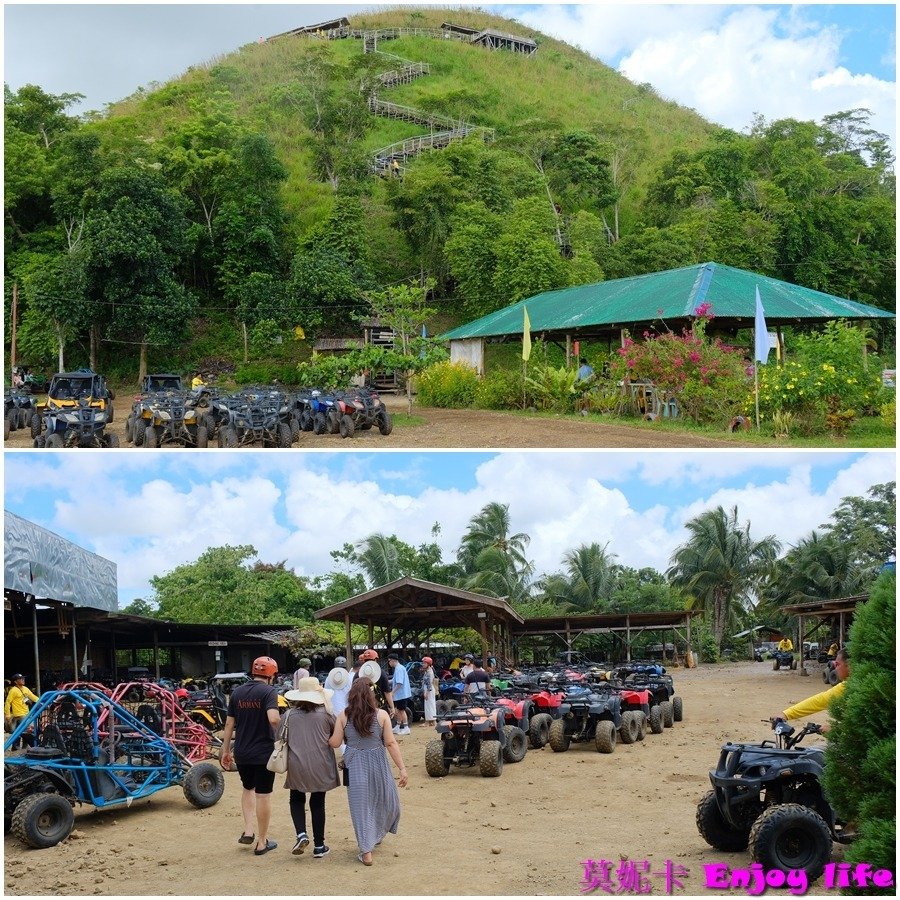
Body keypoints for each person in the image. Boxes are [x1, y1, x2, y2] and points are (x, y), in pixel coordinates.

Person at [328, 677, 408, 865]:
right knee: (386, 800)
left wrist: (326, 733)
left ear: (352, 695)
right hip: (378, 761)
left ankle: (367, 849)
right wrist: (402, 769)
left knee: (360, 807)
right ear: (371, 694)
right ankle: (369, 844)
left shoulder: (343, 715)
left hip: (354, 763)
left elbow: (335, 743)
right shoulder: (381, 715)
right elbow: (390, 743)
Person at [220, 656, 281, 856]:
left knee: (248, 788)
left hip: (242, 752)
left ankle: (248, 829)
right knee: (263, 795)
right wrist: (282, 730)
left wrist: (225, 751)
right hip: (263, 753)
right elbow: (273, 719)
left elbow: (229, 724)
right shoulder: (269, 692)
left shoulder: (237, 692)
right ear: (272, 674)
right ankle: (262, 842)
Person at [281, 677, 339, 859]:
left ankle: (301, 834)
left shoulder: (289, 715)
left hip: (296, 764)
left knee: (296, 799)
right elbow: (336, 737)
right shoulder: (327, 715)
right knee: (318, 802)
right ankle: (319, 846)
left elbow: (280, 737)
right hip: (320, 763)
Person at [773, 648, 850, 734]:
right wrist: (786, 714)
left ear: (850, 665)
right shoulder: (847, 685)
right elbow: (820, 700)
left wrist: (838, 729)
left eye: (837, 664)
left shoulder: (852, 687)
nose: (835, 668)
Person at [4, 674, 39, 748]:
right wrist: (7, 715)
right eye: (20, 679)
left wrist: (41, 701)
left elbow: (33, 697)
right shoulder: (13, 690)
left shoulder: (25, 689)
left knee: (19, 731)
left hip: (26, 713)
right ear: (16, 682)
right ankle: (32, 746)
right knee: (27, 731)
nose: (23, 680)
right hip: (19, 714)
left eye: (23, 678)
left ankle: (17, 747)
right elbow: (8, 702)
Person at [387, 655, 411, 736]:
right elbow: (393, 681)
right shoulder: (398, 668)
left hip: (401, 694)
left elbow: (399, 683)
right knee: (398, 710)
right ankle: (397, 726)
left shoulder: (399, 669)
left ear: (393, 660)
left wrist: (392, 692)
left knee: (402, 710)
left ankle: (406, 727)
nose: (389, 663)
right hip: (400, 694)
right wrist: (385, 681)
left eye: (389, 661)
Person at [420, 657, 437, 726]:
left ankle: (428, 722)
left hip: (428, 690)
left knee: (428, 705)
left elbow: (429, 684)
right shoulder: (428, 671)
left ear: (428, 664)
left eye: (424, 663)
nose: (423, 664)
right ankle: (432, 721)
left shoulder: (429, 672)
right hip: (428, 689)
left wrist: (426, 693)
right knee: (430, 705)